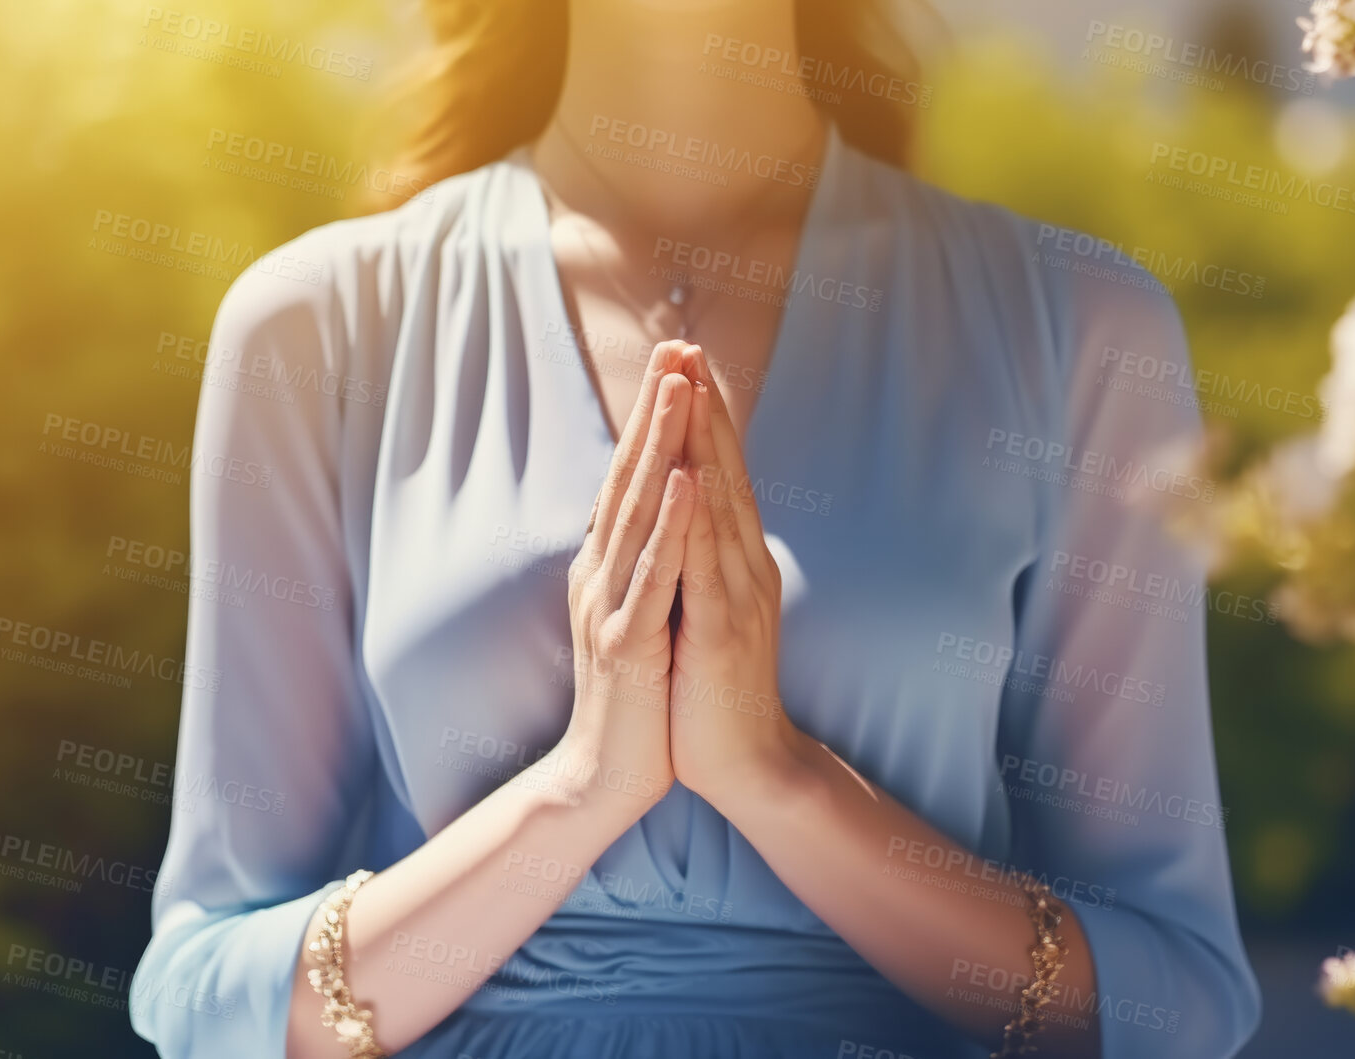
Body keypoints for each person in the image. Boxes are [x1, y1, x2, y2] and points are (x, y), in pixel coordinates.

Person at [130, 1, 1263, 1056]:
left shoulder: (1078, 326)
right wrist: (577, 790)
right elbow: (204, 993)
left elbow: (1177, 994)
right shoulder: (314, 327)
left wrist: (775, 779)